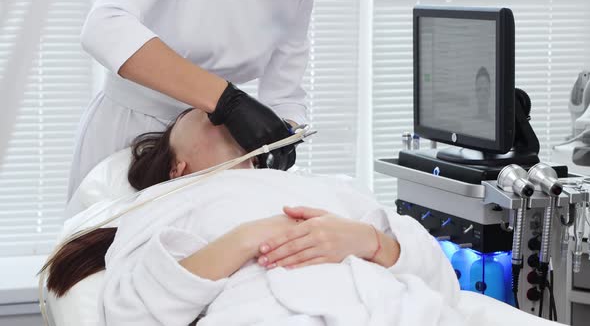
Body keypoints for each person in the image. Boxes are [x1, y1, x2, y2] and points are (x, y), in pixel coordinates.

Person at [46, 108, 461, 325]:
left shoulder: (324, 188)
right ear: (177, 166)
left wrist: (372, 241)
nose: (220, 112)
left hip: (395, 311)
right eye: (202, 114)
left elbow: (442, 282)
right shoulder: (164, 201)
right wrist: (247, 238)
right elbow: (132, 315)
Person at [68, 0, 314, 199]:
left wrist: (283, 135)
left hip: (220, 139)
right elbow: (104, 27)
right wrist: (225, 99)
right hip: (131, 120)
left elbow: (285, 94)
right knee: (103, 249)